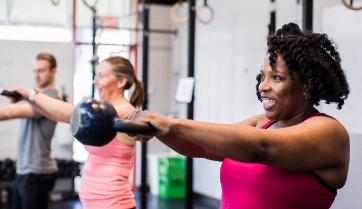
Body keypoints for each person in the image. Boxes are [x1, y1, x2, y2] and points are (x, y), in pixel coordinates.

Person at [125, 23, 350, 209]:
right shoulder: (261, 123)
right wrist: (156, 128)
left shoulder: (328, 132)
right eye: (262, 76)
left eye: (277, 78)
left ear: (306, 86)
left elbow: (262, 148)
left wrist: (170, 124)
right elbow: (203, 147)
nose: (263, 86)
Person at [12, 56, 143, 209]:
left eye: (101, 76)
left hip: (113, 203)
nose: (95, 81)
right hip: (96, 203)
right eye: (96, 75)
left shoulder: (124, 112)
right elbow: (59, 115)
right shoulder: (108, 111)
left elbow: (73, 114)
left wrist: (32, 95)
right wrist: (30, 100)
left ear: (121, 82)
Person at [0, 53, 59, 209]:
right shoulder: (36, 97)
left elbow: (11, 112)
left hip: (37, 173)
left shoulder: (50, 99)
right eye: (34, 71)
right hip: (24, 170)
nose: (36, 75)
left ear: (53, 71)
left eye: (41, 70)